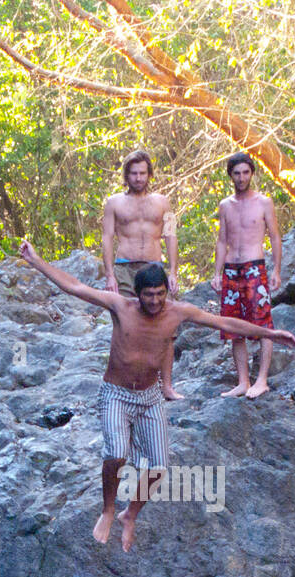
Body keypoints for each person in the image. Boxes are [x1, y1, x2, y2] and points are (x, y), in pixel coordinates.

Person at [18, 239, 295, 552]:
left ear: (167, 291)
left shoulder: (177, 312)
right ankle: (109, 510)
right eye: (148, 295)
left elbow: (224, 322)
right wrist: (37, 261)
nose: (155, 301)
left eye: (160, 294)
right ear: (137, 294)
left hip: (150, 397)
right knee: (116, 454)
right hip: (116, 394)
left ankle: (130, 514)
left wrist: (270, 333)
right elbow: (75, 287)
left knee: (159, 468)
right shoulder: (120, 306)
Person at [102, 149, 183, 401]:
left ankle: (166, 385)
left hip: (154, 266)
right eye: (134, 173)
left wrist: (173, 271)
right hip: (125, 267)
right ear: (126, 175)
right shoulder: (114, 202)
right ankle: (126, 384)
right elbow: (106, 238)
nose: (138, 178)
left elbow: (170, 234)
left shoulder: (163, 202)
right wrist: (109, 275)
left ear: (150, 174)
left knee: (166, 327)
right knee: (125, 325)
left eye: (143, 173)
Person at [212, 152, 282, 399]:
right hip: (232, 268)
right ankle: (243, 381)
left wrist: (276, 270)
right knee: (234, 326)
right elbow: (222, 241)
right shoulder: (225, 205)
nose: (241, 178)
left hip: (255, 267)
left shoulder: (264, 202)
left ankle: (261, 379)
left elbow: (274, 236)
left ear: (252, 173)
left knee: (263, 323)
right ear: (230, 175)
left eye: (245, 173)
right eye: (237, 173)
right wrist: (216, 273)